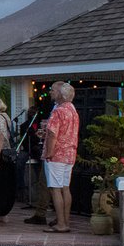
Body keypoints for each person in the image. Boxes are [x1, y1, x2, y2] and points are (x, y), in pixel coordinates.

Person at [42, 82, 80, 233]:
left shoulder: (58, 111)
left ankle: (61, 224)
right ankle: (65, 220)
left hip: (57, 154)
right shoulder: (73, 110)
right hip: (70, 154)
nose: (51, 93)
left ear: (60, 94)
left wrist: (49, 152)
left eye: (52, 91)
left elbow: (52, 133)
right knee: (65, 188)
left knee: (55, 189)